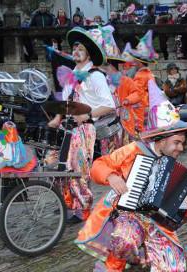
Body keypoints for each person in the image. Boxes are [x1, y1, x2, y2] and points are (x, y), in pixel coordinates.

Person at [75, 79, 187, 271]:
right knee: (123, 241)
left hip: (158, 224)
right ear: (160, 140)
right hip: (129, 216)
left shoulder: (177, 169)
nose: (180, 148)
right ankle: (114, 265)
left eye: (182, 143)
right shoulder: (133, 151)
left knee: (174, 267)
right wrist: (112, 176)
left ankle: (144, 254)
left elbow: (177, 213)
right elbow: (98, 165)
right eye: (177, 142)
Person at [47, 27, 116, 222]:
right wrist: (57, 119)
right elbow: (66, 104)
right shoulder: (70, 76)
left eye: (81, 49)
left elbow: (109, 105)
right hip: (66, 127)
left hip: (84, 128)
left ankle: (83, 208)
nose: (76, 52)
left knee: (77, 167)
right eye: (74, 49)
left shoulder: (95, 76)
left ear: (88, 55)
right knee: (55, 163)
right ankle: (66, 203)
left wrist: (86, 116)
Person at [127, 30, 159, 133]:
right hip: (147, 104)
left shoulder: (141, 75)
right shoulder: (148, 74)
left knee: (139, 130)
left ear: (140, 62)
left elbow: (137, 93)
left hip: (141, 107)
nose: (134, 61)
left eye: (136, 59)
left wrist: (127, 100)